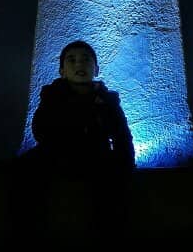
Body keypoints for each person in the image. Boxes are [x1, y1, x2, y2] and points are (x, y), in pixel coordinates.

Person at [8, 40, 135, 241]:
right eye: (72, 60)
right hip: (58, 156)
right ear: (62, 71)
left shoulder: (108, 101)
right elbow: (41, 130)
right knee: (22, 173)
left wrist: (126, 164)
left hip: (97, 158)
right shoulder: (52, 96)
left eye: (86, 60)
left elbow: (122, 136)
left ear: (96, 68)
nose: (79, 64)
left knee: (112, 196)